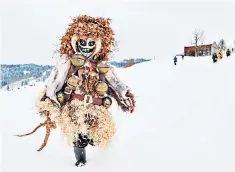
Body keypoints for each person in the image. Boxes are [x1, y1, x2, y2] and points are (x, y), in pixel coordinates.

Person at [27, 15, 135, 167]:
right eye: (83, 42)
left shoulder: (101, 65)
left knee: (98, 136)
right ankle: (81, 161)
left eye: (91, 43)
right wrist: (49, 102)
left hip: (96, 108)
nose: (86, 46)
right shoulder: (67, 63)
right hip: (74, 107)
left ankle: (90, 143)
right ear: (75, 42)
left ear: (97, 45)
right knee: (78, 138)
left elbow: (115, 83)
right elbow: (54, 84)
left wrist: (124, 95)